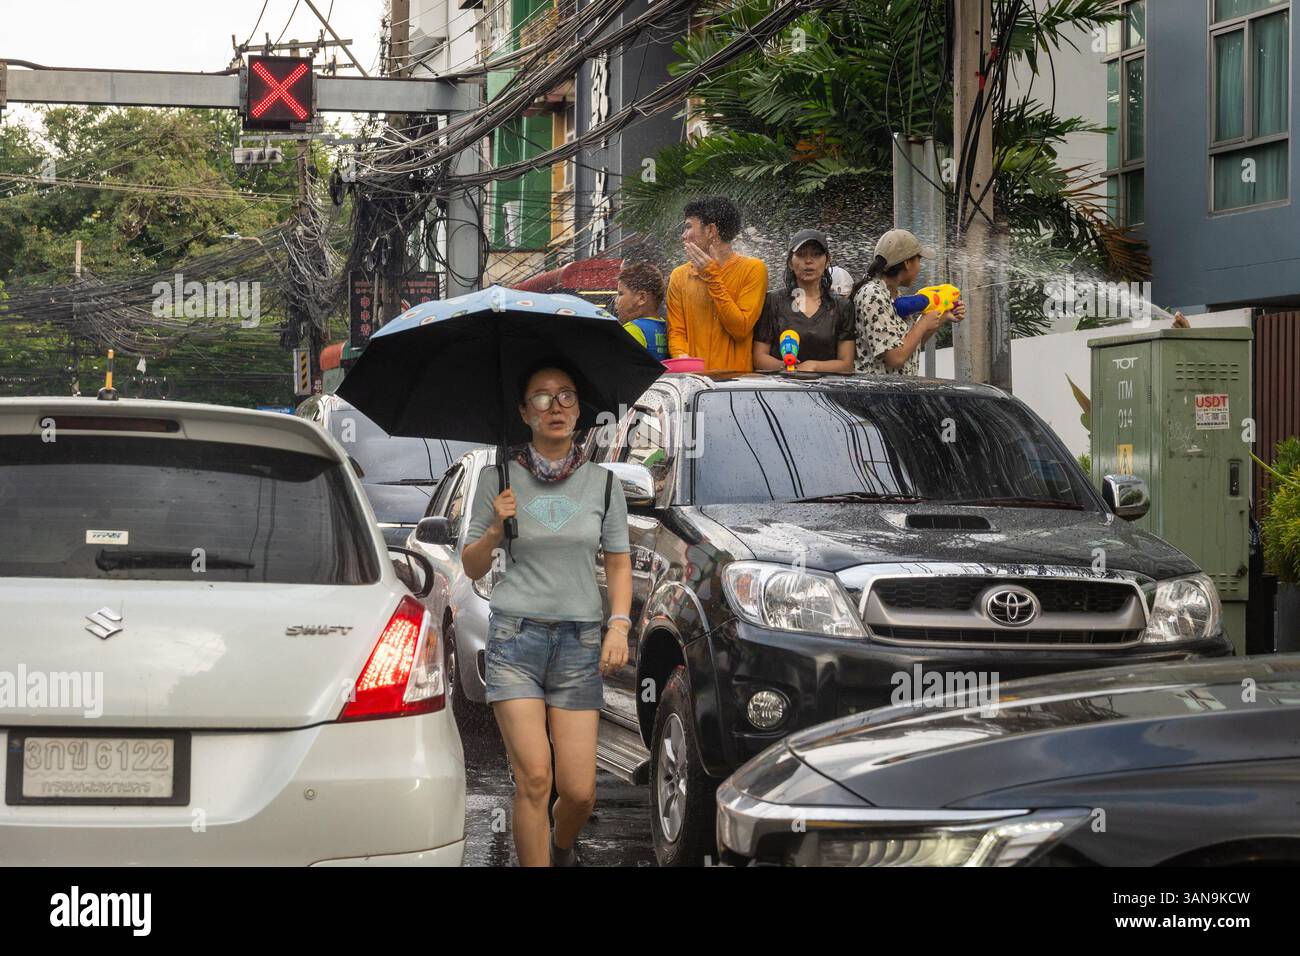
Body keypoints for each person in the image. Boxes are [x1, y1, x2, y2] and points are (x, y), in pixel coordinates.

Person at [461, 358, 633, 867]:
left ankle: (560, 846)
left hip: (579, 644)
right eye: (540, 397)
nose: (554, 407)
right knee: (535, 777)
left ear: (580, 409)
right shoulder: (499, 478)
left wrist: (618, 624)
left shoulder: (604, 485)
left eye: (565, 396)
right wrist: (494, 528)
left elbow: (620, 566)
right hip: (515, 640)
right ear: (523, 411)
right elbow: (471, 567)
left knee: (579, 793)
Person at [666, 195, 768, 371]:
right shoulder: (679, 276)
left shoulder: (754, 269)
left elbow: (740, 328)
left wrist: (712, 277)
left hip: (736, 387)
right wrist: (682, 358)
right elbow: (676, 332)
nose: (683, 236)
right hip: (695, 384)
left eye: (688, 227)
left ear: (711, 231)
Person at [852, 228, 965, 375]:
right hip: (878, 394)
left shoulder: (892, 295)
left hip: (898, 393)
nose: (919, 267)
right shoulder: (872, 296)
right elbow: (896, 357)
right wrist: (923, 322)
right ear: (907, 263)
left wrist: (943, 316)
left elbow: (909, 345)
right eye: (919, 260)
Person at [752, 229, 855, 373]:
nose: (808, 261)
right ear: (790, 263)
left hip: (827, 392)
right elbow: (759, 357)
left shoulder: (842, 306)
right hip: (782, 388)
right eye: (800, 255)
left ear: (827, 261)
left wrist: (814, 366)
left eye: (816, 254)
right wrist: (788, 368)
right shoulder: (773, 301)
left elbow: (847, 364)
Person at [614, 261, 669, 360]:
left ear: (642, 298)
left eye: (621, 294)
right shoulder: (667, 329)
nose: (616, 300)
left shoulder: (632, 330)